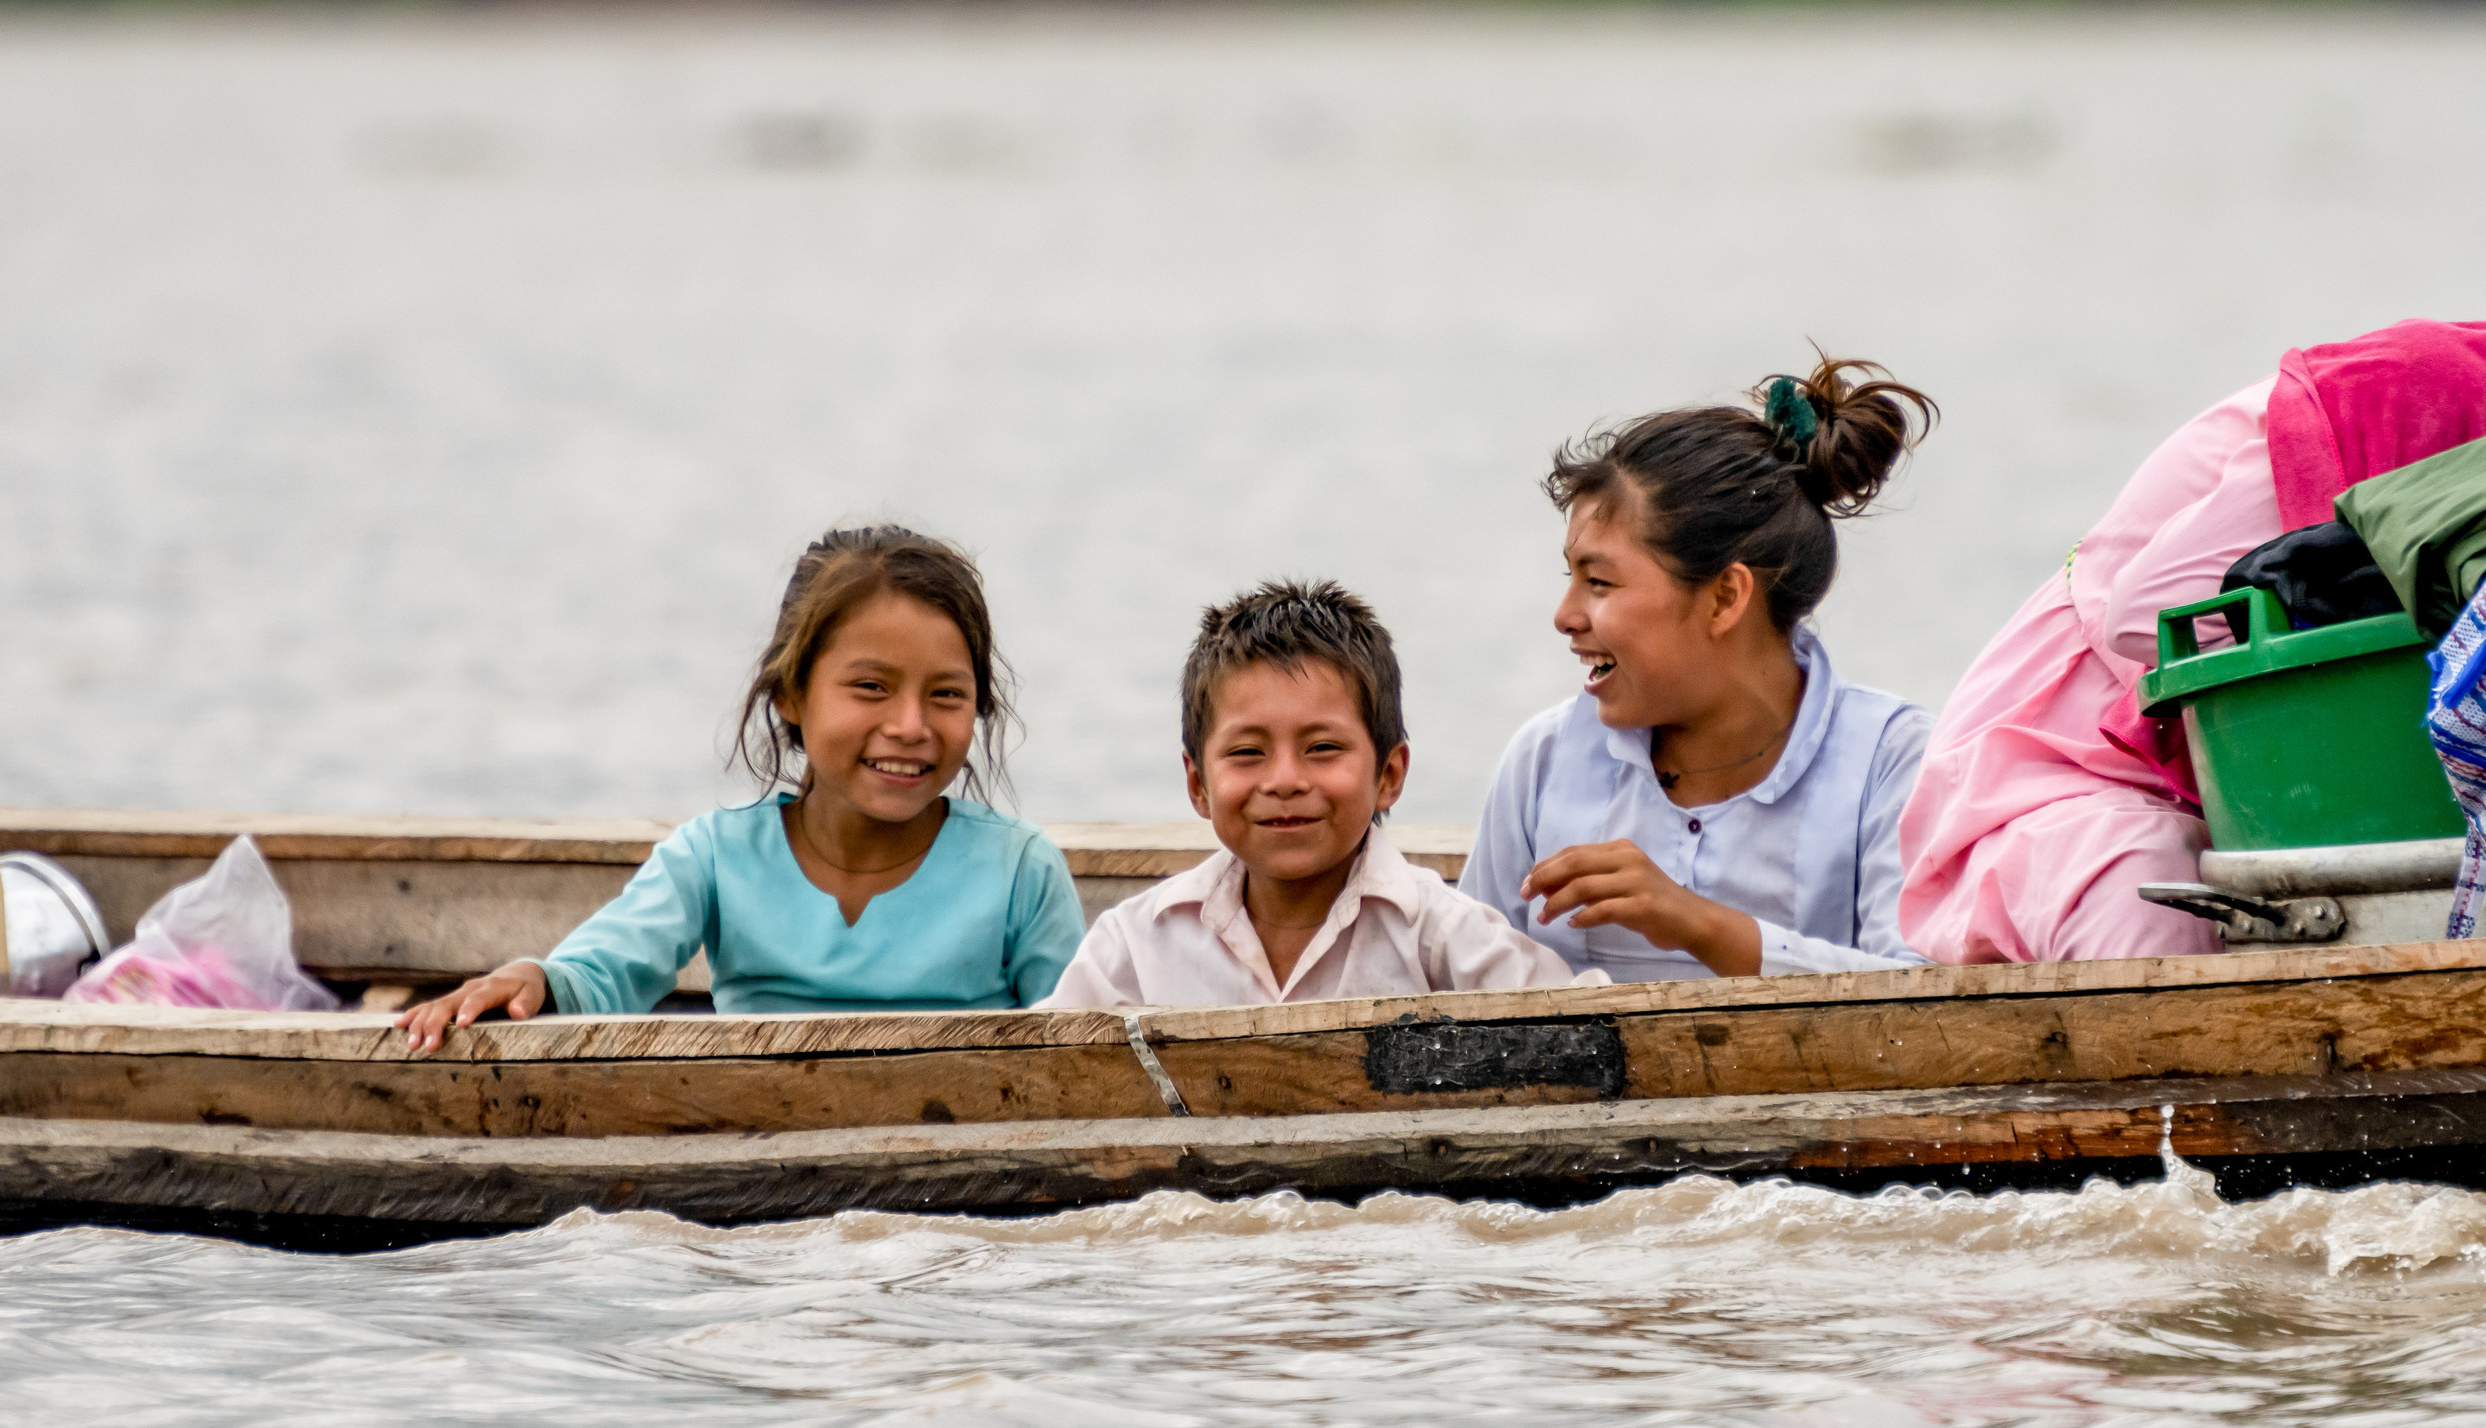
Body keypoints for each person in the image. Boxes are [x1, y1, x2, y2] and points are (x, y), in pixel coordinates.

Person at [1898, 317, 2486, 964]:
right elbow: (2140, 616)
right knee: (2158, 893)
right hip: (2046, 771)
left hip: (2208, 782)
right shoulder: (2409, 399)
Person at [396, 525, 1084, 1049]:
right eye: (870, 687)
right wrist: (533, 979)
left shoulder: (1019, 872)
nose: (910, 725)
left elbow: (1080, 1044)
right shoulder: (717, 857)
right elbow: (604, 969)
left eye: (946, 695)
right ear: (791, 693)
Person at [1459, 357, 1937, 980]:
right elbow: (1462, 985)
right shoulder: (1542, 760)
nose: (1565, 617)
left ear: (1725, 598)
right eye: (1571, 578)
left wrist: (1697, 922)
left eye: (1599, 582)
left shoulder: (1894, 759)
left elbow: (1929, 999)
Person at [1039, 580, 1594, 1008]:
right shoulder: (1137, 945)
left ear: (1389, 775)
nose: (1285, 780)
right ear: (1197, 785)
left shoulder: (1443, 936)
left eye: (1323, 748)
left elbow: (1593, 1026)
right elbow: (1037, 1066)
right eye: (1247, 753)